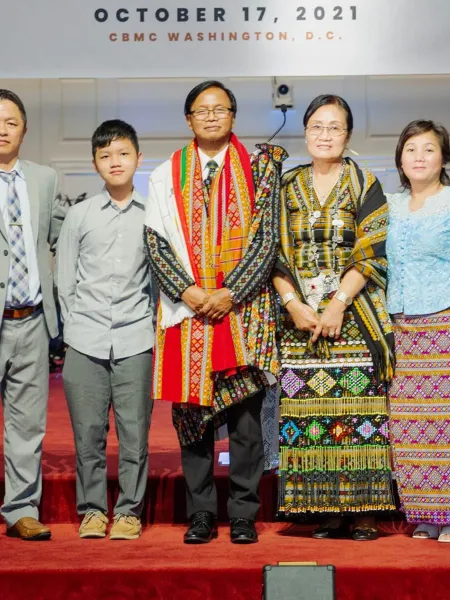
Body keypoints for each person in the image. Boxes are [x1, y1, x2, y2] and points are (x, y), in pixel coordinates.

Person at [144, 80, 286, 544]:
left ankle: (243, 513)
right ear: (188, 119)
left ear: (233, 116)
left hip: (243, 315)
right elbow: (155, 241)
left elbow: (267, 239)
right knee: (192, 420)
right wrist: (187, 291)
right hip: (187, 316)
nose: (210, 116)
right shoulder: (166, 174)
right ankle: (201, 513)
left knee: (246, 421)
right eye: (201, 110)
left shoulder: (260, 169)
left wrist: (230, 293)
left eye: (219, 109)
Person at [273, 94, 395, 541]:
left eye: (334, 127)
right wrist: (294, 304)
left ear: (348, 134)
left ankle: (364, 511)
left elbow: (373, 250)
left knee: (360, 413)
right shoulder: (285, 186)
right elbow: (271, 253)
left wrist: (338, 302)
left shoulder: (365, 183)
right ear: (305, 131)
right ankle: (325, 508)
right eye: (317, 127)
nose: (325, 135)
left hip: (354, 316)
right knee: (308, 415)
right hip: (299, 321)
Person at [56, 120, 155, 540]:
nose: (115, 162)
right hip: (85, 340)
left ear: (138, 158)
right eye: (105, 155)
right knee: (88, 435)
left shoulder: (153, 216)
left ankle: (129, 511)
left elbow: (157, 282)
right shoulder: (79, 215)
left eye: (123, 153)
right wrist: (77, 329)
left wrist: (149, 326)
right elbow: (65, 281)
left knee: (135, 434)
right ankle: (93, 511)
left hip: (136, 339)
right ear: (95, 163)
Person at [0, 89, 65, 540]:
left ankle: (21, 509)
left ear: (24, 129)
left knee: (27, 424)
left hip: (33, 320)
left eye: (11, 122)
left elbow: (64, 237)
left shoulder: (44, 179)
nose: (2, 129)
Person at [387, 120, 450, 542]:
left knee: (445, 424)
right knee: (409, 425)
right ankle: (425, 512)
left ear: (443, 158)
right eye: (411, 149)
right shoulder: (389, 205)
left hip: (444, 323)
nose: (419, 157)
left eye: (429, 149)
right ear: (400, 159)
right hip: (399, 328)